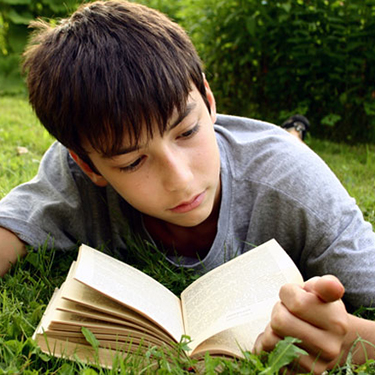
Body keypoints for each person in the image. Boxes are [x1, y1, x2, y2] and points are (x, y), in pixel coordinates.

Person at [0, 1, 374, 372]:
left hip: (274, 151)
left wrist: (347, 340)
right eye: (132, 162)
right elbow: (11, 227)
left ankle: (294, 131)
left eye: (188, 131)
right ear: (88, 164)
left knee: (288, 143)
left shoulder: (295, 182)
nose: (181, 179)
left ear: (209, 101)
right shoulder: (72, 173)